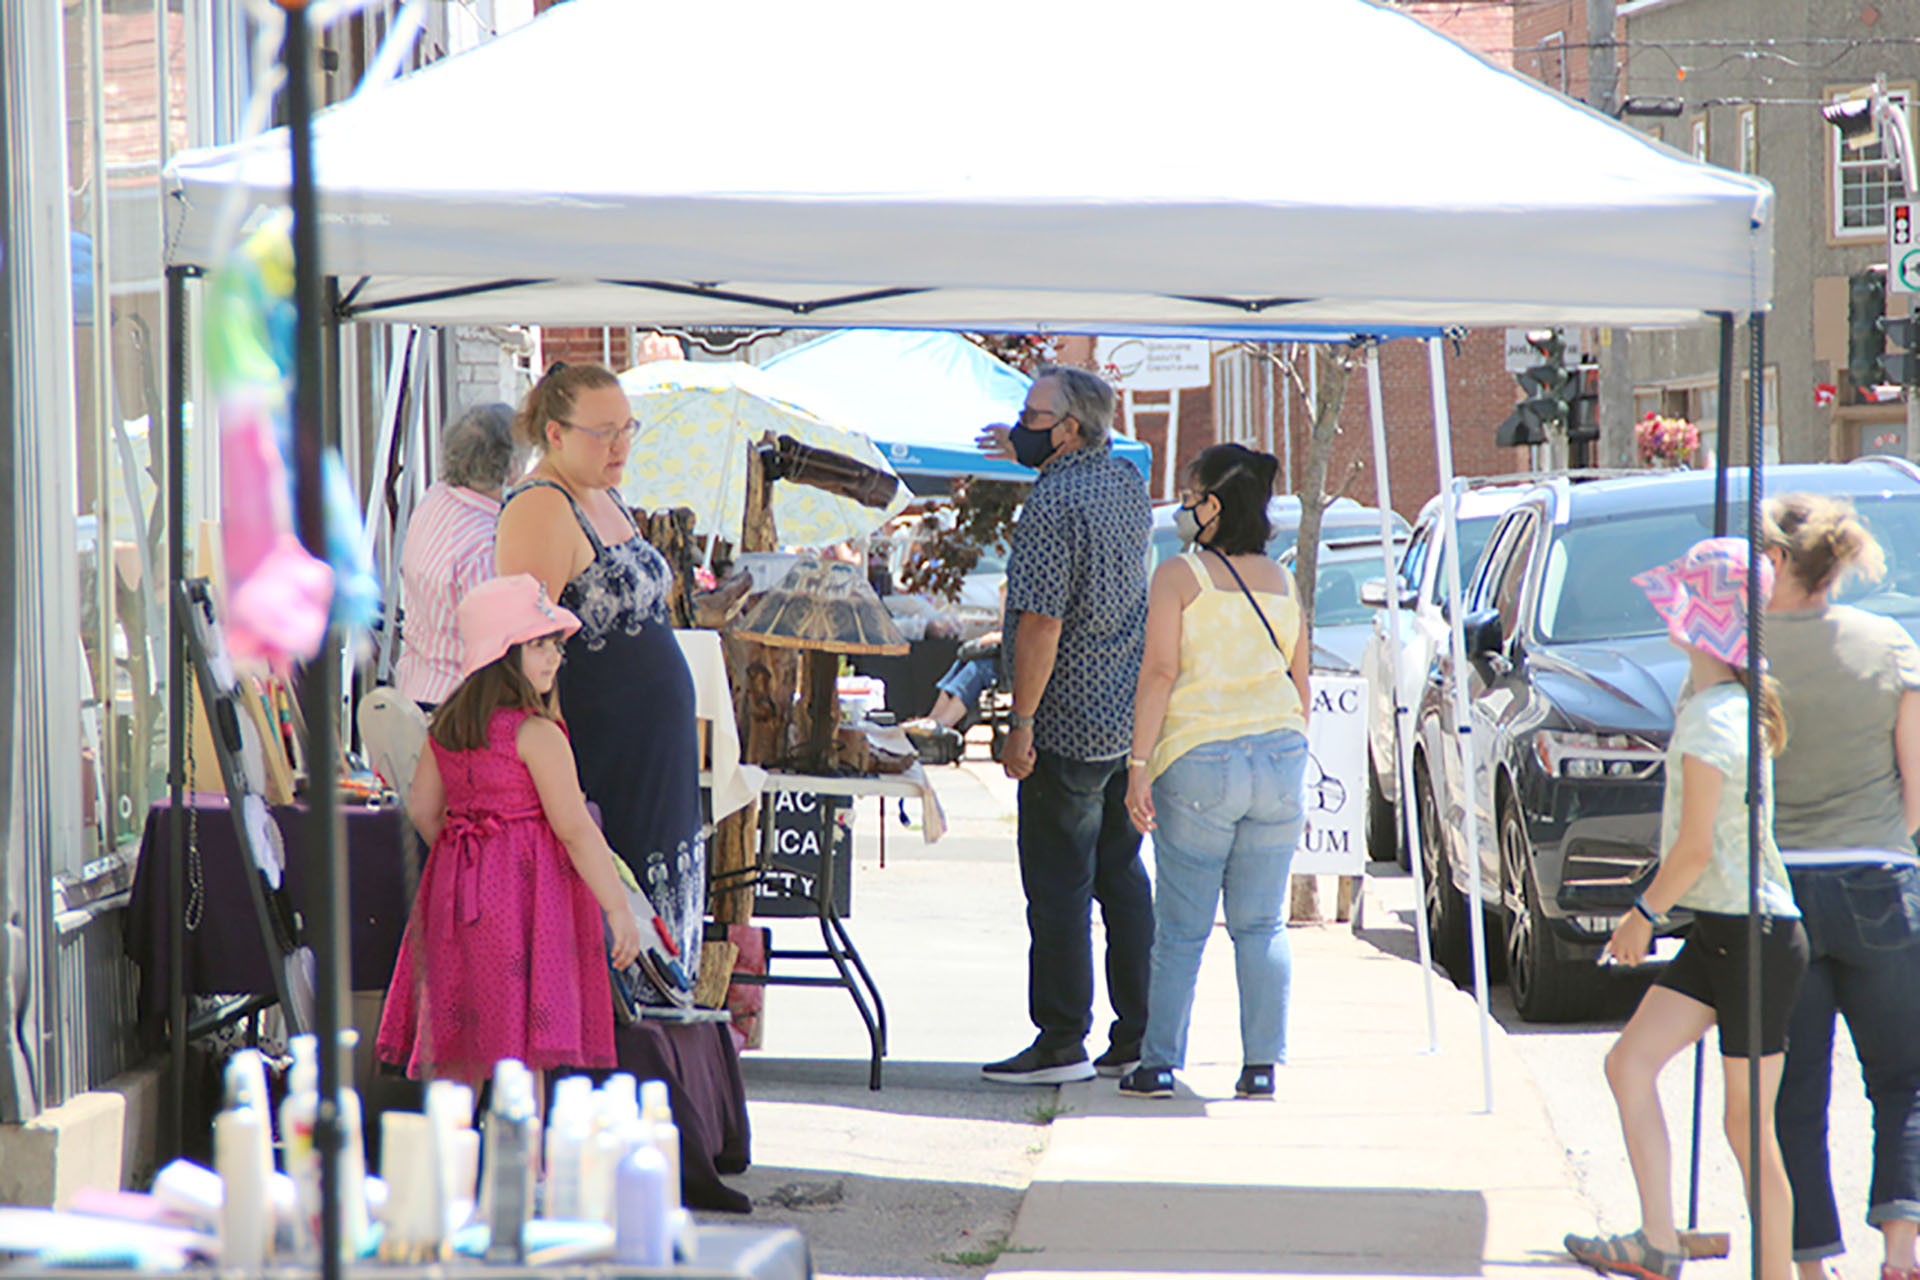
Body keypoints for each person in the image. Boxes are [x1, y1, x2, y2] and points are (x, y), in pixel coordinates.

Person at [1564, 538, 1807, 1280]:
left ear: (1706, 619)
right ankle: (1659, 1241)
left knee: (1746, 1127)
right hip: (1725, 933)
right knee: (1629, 1063)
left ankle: (1770, 1271)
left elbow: (1695, 849)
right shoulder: (1713, 702)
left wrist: (1641, 914)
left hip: (1754, 937)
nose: (1665, 606)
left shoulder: (1715, 719)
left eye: (1681, 596)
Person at [375, 574, 643, 1090]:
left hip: (455, 894)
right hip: (527, 898)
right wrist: (616, 906)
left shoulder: (447, 728)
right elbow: (574, 828)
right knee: (525, 1052)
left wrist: (465, 858)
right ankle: (529, 1166)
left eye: (554, 646)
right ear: (501, 654)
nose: (553, 658)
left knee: (462, 1043)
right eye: (537, 645)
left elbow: (425, 810)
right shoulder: (537, 733)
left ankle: (451, 1162)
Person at [494, 361, 704, 1002]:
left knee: (666, 928)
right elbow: (524, 654)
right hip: (607, 758)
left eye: (628, 428)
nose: (621, 446)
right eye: (603, 431)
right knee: (621, 937)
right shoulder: (540, 508)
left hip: (653, 761)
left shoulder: (601, 494)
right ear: (555, 433)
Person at [974, 367, 1155, 1085]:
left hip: (1065, 721)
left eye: (1032, 415)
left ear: (1069, 428)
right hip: (1121, 718)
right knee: (1121, 878)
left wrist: (1021, 720)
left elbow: (1042, 624)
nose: (1022, 425)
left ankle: (1059, 1040)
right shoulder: (1122, 484)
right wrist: (1016, 442)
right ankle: (1139, 1032)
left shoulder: (1053, 503)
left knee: (1058, 890)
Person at [1761, 493, 1920, 1280]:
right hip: (1878, 876)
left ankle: (1811, 1260)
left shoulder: (1743, 653)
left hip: (1780, 885)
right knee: (1903, 1078)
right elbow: (1915, 784)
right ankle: (1900, 1246)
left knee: (1796, 1093)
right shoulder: (1889, 643)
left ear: (1779, 559)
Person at [1119, 443, 1310, 1101]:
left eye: (1192, 494)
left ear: (1215, 505)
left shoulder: (1180, 574)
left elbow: (1161, 674)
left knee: (1181, 928)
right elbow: (1299, 682)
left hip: (1200, 759)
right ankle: (1261, 1067)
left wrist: (1138, 766)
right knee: (1261, 924)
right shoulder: (1284, 581)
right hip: (1281, 756)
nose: (1182, 507)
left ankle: (1160, 1064)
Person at [394, 402, 521, 708]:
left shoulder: (434, 498)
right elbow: (494, 643)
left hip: (416, 683)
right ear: (512, 466)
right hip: (460, 701)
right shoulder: (484, 544)